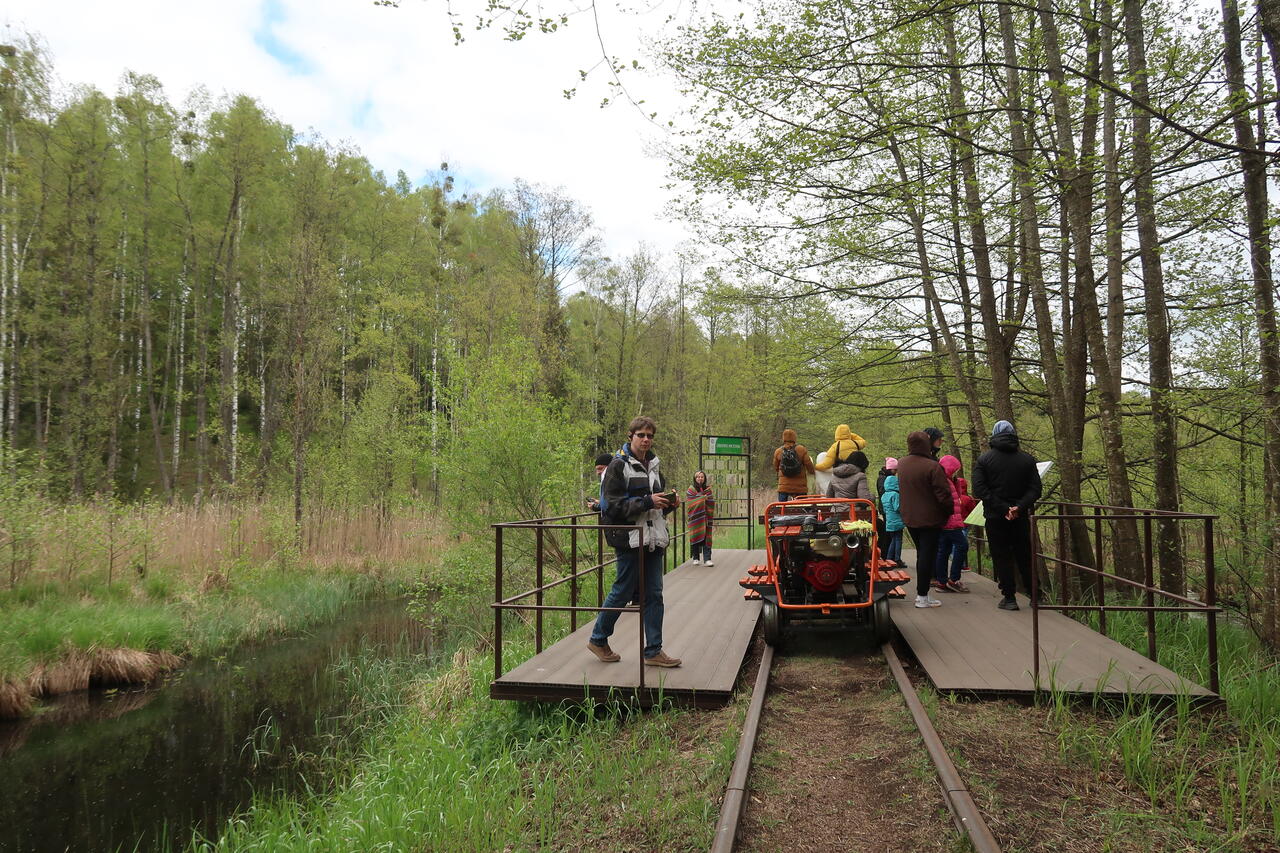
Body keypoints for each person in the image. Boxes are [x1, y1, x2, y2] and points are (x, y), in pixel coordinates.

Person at [589, 416, 682, 666]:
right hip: (629, 539)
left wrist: (669, 503)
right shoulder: (617, 466)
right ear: (630, 436)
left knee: (654, 595)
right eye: (641, 435)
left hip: (653, 538)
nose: (646, 439)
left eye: (649, 436)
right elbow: (611, 507)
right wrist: (648, 502)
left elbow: (655, 504)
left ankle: (653, 651)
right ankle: (598, 639)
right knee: (622, 591)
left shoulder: (654, 465)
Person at [973, 420, 1043, 611]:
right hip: (1020, 517)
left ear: (994, 435)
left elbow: (980, 489)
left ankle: (1009, 598)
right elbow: (1035, 489)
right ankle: (1035, 595)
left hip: (995, 517)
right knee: (1025, 555)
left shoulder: (984, 460)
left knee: (1001, 556)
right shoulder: (1027, 460)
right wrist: (1018, 507)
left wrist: (1004, 508)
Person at [896, 430, 954, 608]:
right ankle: (922, 596)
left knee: (922, 554)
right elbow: (944, 494)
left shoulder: (902, 464)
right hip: (930, 519)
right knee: (927, 555)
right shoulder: (932, 466)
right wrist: (948, 512)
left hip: (909, 517)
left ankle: (923, 595)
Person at [932, 455, 971, 594]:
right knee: (962, 545)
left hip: (946, 522)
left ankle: (942, 582)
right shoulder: (945, 482)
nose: (956, 473)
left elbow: (957, 498)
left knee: (944, 550)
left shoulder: (948, 481)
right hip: (950, 521)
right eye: (955, 470)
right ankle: (953, 579)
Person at [773, 428, 816, 502]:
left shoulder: (778, 451)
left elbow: (776, 467)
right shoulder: (801, 449)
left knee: (782, 506)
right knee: (802, 506)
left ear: (783, 438)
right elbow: (809, 466)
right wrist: (813, 472)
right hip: (800, 487)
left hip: (784, 487)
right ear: (794, 438)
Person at [686, 470, 715, 566]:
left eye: (702, 477)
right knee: (695, 536)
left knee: (707, 537)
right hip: (695, 517)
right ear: (695, 478)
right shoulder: (691, 490)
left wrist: (704, 499)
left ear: (704, 478)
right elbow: (690, 503)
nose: (700, 478)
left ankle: (707, 559)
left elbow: (711, 501)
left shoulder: (708, 489)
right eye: (698, 477)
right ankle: (695, 558)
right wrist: (702, 498)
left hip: (706, 517)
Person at [875, 457, 898, 562]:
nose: (896, 472)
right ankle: (885, 554)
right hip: (887, 508)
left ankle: (887, 554)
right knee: (888, 533)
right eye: (895, 470)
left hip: (887, 507)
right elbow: (882, 492)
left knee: (888, 533)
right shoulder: (883, 479)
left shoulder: (885, 477)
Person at [881, 473, 904, 566]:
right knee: (898, 540)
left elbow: (884, 509)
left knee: (893, 540)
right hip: (897, 521)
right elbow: (897, 507)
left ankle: (889, 558)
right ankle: (897, 559)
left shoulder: (884, 495)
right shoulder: (895, 494)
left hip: (889, 521)